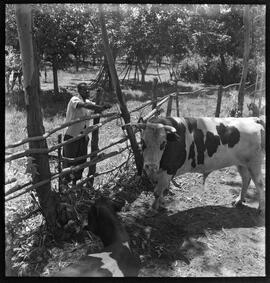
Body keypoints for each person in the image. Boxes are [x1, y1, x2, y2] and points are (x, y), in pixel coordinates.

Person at [62, 83, 110, 185]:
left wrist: (103, 107)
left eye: (88, 90)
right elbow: (84, 105)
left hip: (83, 136)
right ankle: (65, 182)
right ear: (79, 91)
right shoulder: (74, 99)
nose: (87, 92)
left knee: (81, 160)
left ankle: (76, 182)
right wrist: (98, 107)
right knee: (70, 160)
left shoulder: (88, 102)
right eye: (84, 90)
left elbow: (93, 107)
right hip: (72, 135)